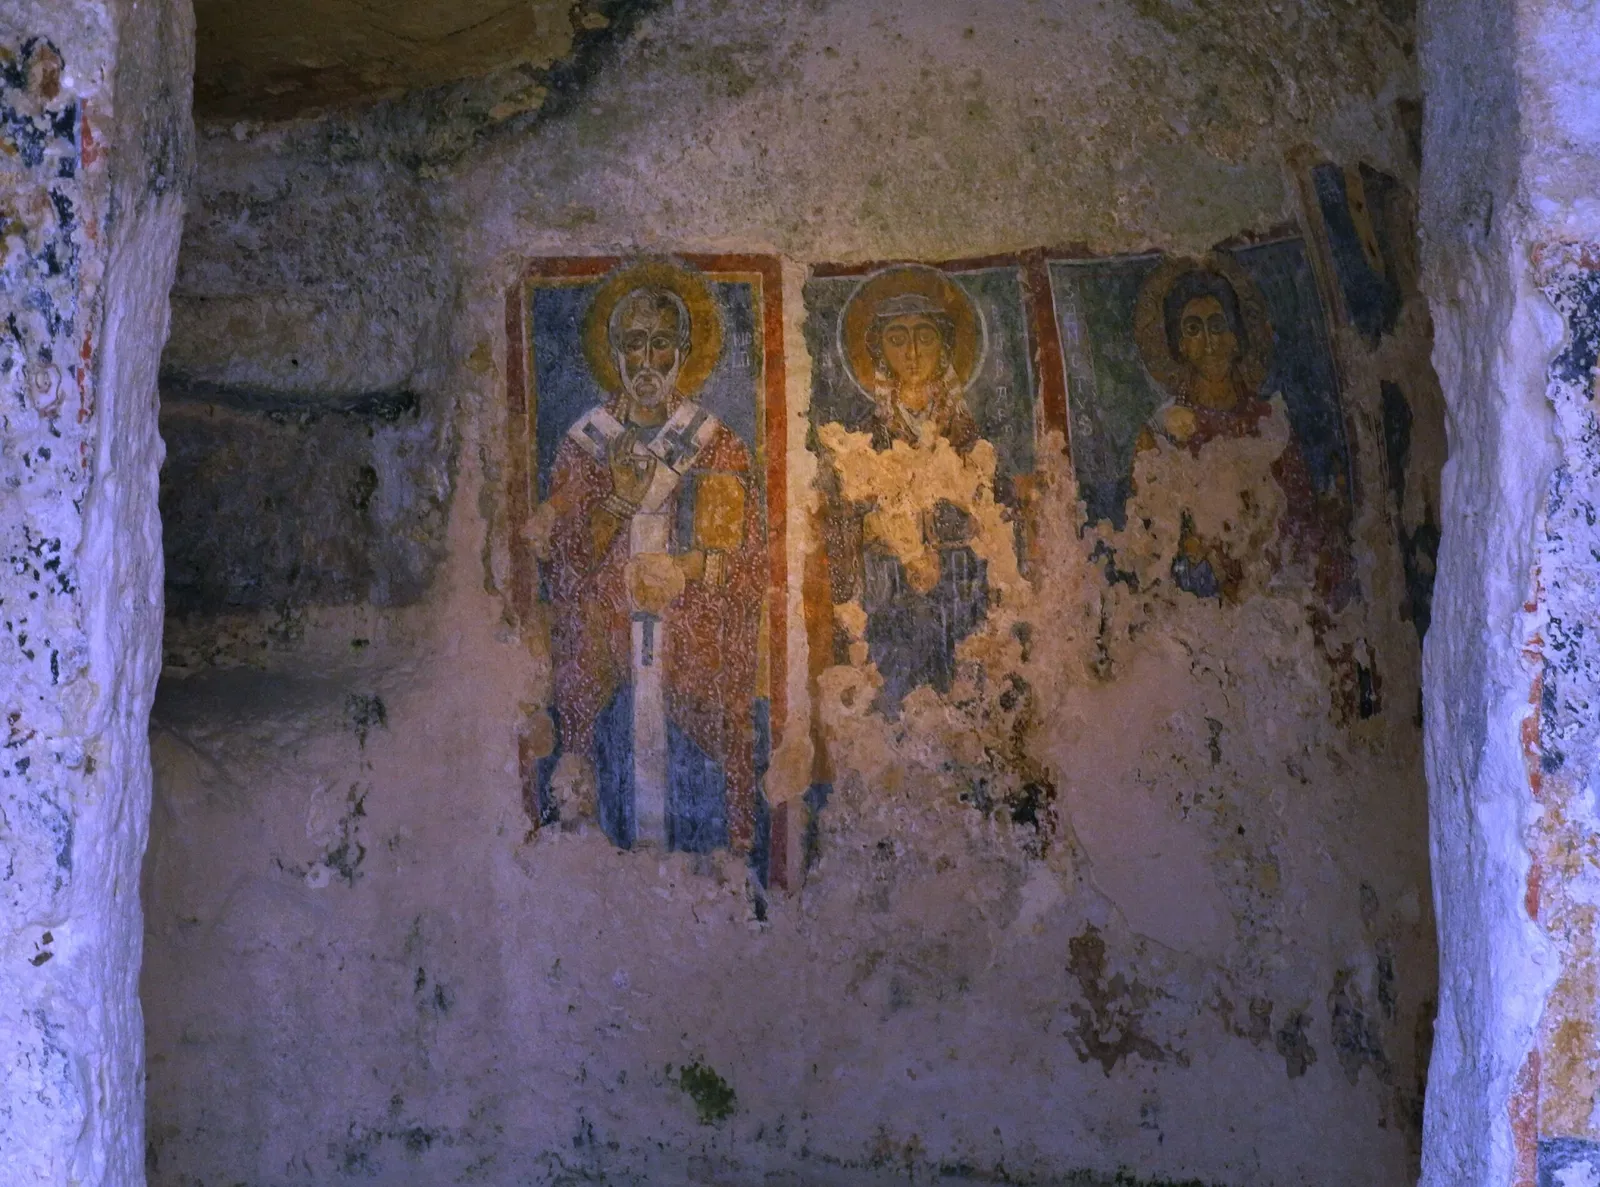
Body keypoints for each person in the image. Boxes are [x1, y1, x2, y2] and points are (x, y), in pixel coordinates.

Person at [543, 276, 763, 851]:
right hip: (610, 659)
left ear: (684, 353)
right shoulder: (584, 445)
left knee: (699, 806)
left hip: (689, 666)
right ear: (614, 352)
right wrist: (618, 501)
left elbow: (743, 561)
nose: (646, 360)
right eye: (633, 343)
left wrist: (682, 570)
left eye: (661, 343)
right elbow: (563, 566)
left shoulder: (715, 444)